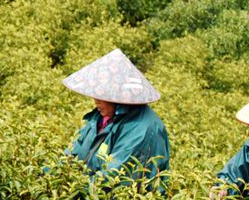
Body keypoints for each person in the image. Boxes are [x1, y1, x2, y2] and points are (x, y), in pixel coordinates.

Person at [60, 48, 170, 187]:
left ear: (117, 96)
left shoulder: (141, 129)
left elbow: (112, 177)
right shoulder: (101, 117)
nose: (95, 100)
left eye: (101, 95)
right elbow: (75, 151)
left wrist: (75, 191)